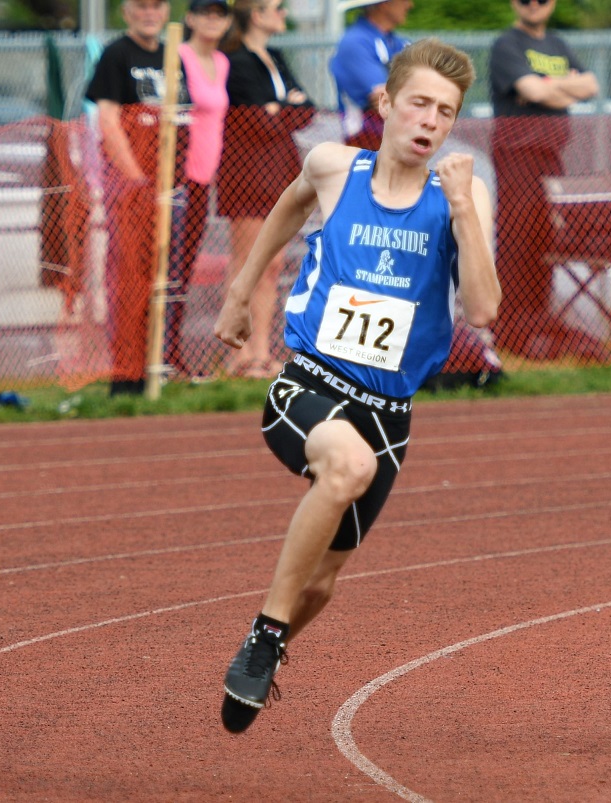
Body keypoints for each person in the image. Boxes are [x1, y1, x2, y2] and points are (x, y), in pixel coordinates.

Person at [212, 38, 499, 734]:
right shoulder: (333, 167)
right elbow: (285, 207)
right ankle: (260, 634)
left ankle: (275, 636)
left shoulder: (461, 197)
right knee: (345, 465)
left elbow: (484, 309)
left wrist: (462, 210)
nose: (429, 120)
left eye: (445, 111)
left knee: (320, 582)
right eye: (418, 104)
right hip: (308, 382)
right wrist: (241, 289)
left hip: (388, 411)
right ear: (386, 104)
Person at [489, 0, 601, 361]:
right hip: (517, 155)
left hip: (552, 155)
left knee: (544, 239)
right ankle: (512, 326)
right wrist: (559, 86)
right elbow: (537, 92)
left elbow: (591, 86)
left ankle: (538, 320)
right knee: (518, 240)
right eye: (525, 0)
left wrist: (545, 86)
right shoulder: (508, 43)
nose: (533, 5)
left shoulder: (557, 43)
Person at [217, 0, 314, 377]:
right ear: (255, 14)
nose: (283, 14)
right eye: (277, 7)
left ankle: (260, 350)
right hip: (247, 172)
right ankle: (239, 353)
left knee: (273, 265)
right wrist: (280, 110)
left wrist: (280, 110)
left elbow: (307, 109)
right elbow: (256, 121)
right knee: (249, 263)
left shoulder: (274, 54)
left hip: (279, 171)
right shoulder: (236, 60)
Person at [85, 0, 175, 396]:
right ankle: (126, 373)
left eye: (157, 5)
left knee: (166, 280)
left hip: (172, 188)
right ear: (126, 11)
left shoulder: (173, 55)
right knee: (129, 279)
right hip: (135, 189)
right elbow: (108, 119)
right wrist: (136, 178)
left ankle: (157, 362)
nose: (149, 13)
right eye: (141, 6)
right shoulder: (117, 54)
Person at [165, 0, 231, 379]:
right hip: (179, 175)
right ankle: (157, 352)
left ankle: (173, 352)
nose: (212, 19)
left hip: (206, 177)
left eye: (219, 13)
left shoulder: (221, 62)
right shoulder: (179, 55)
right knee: (167, 267)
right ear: (189, 18)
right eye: (204, 12)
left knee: (185, 267)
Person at [329, 0, 412, 151]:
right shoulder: (355, 42)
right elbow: (382, 98)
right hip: (365, 146)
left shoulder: (397, 42)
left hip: (396, 143)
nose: (410, 5)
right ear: (384, 4)